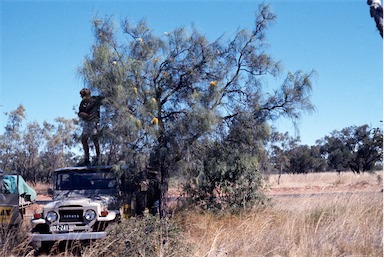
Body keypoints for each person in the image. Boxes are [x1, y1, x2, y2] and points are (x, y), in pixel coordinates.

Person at [78, 88, 103, 166]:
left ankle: (98, 158)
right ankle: (87, 158)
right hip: (86, 122)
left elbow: (105, 98)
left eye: (82, 95)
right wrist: (81, 114)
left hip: (94, 121)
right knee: (84, 139)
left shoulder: (95, 99)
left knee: (95, 138)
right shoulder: (82, 103)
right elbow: (80, 112)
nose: (82, 97)